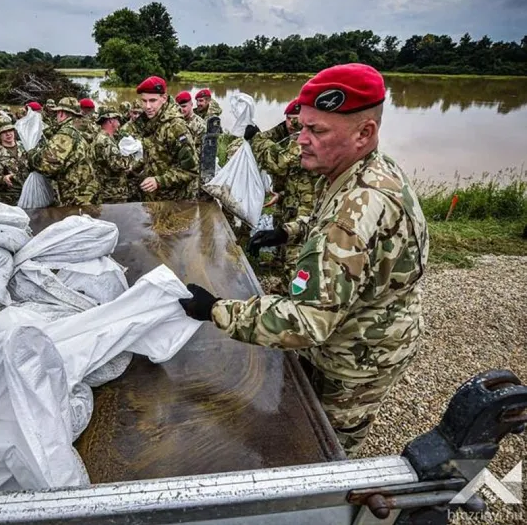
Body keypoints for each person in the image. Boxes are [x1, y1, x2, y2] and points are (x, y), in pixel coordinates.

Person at [178, 64, 429, 457]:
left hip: (357, 355)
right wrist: (289, 231)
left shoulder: (351, 217)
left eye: (317, 131)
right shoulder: (369, 171)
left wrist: (217, 310)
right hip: (365, 327)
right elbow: (329, 224)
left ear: (365, 133)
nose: (301, 141)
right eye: (302, 128)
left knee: (324, 447)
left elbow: (309, 322)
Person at [246, 99, 321, 282]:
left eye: (296, 119)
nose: (291, 123)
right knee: (280, 233)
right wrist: (281, 195)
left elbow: (277, 163)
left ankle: (291, 288)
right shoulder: (291, 136)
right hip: (291, 199)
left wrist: (256, 137)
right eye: (288, 118)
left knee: (295, 249)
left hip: (306, 207)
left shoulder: (304, 141)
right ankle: (277, 266)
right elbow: (295, 176)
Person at [131, 76, 198, 201]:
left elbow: (191, 170)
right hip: (155, 198)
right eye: (144, 101)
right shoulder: (150, 122)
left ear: (164, 98)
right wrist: (133, 168)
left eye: (152, 100)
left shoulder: (176, 127)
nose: (148, 106)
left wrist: (159, 181)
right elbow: (155, 155)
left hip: (175, 200)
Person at [28, 97, 99, 206]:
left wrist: (31, 155)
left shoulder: (66, 134)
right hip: (87, 192)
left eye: (57, 113)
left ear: (61, 113)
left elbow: (47, 165)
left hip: (75, 197)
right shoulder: (83, 129)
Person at [92, 106, 131, 203]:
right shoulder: (106, 141)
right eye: (117, 119)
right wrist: (130, 158)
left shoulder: (100, 137)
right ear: (110, 121)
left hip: (106, 190)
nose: (119, 123)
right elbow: (118, 165)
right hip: (112, 193)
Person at [0, 115, 30, 205]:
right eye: (4, 132)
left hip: (30, 193)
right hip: (12, 199)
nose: (8, 134)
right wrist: (3, 179)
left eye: (10, 130)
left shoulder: (25, 146)